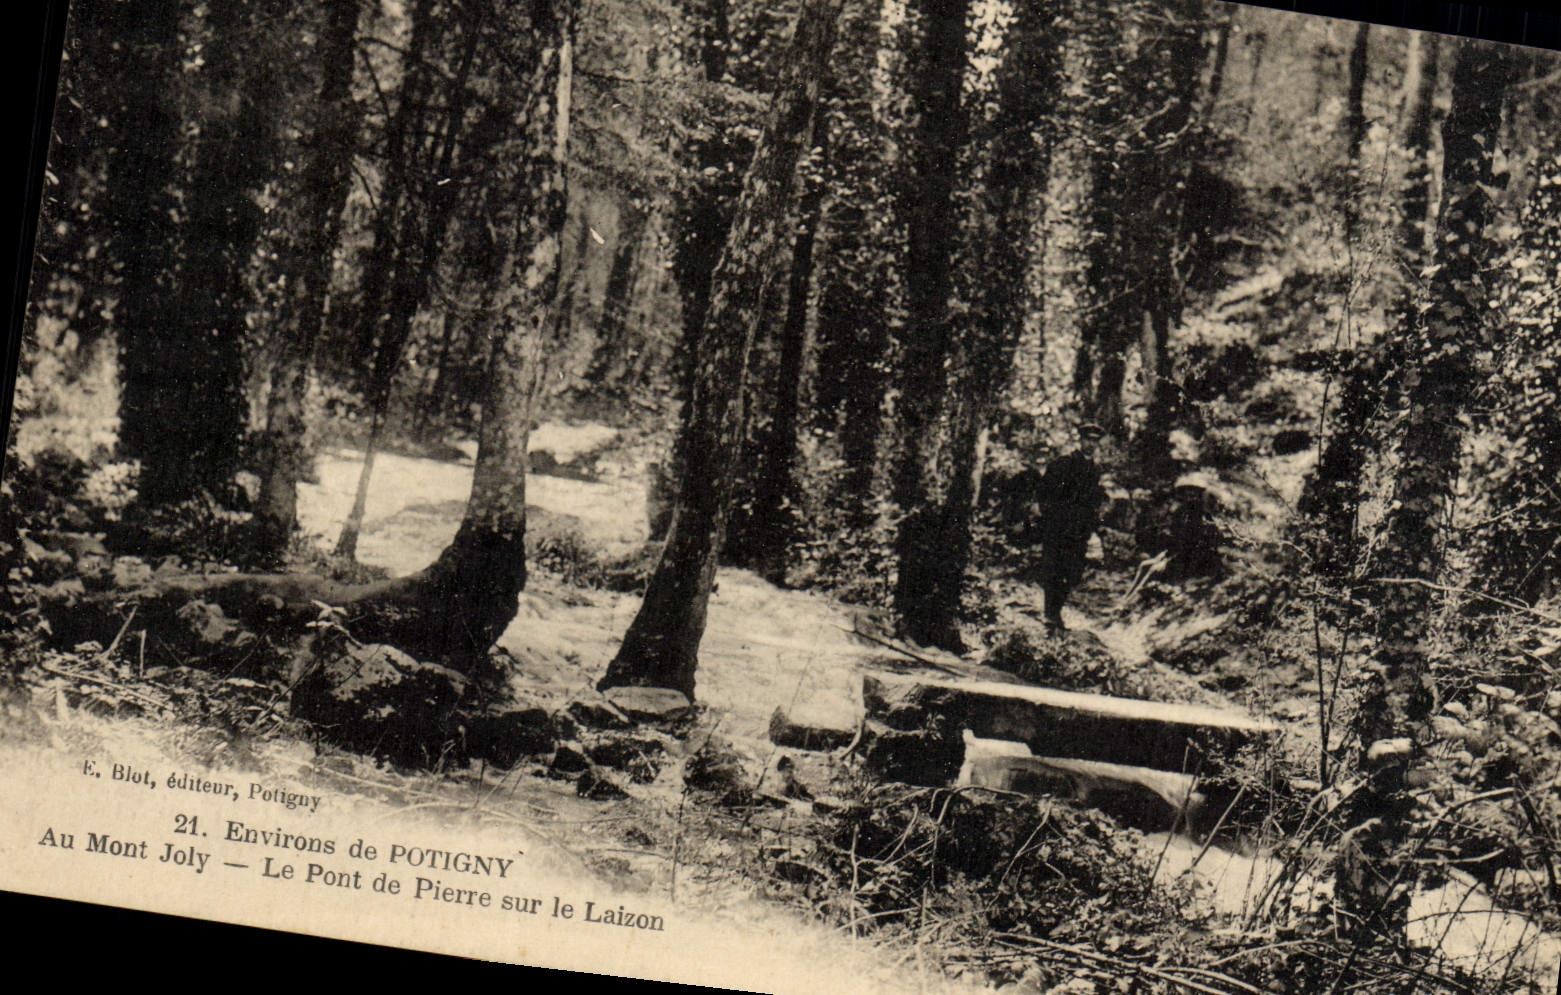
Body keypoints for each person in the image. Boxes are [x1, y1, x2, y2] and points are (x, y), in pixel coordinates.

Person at [1027, 422, 1108, 632]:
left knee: (1073, 573)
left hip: (1080, 530)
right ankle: (1051, 614)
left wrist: (1094, 523)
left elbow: (1095, 501)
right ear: (1080, 440)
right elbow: (1044, 491)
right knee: (1053, 569)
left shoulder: (1096, 470)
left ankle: (1056, 611)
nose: (1091, 444)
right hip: (1058, 527)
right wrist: (1046, 514)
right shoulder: (1064, 463)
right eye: (1088, 439)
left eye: (1095, 440)